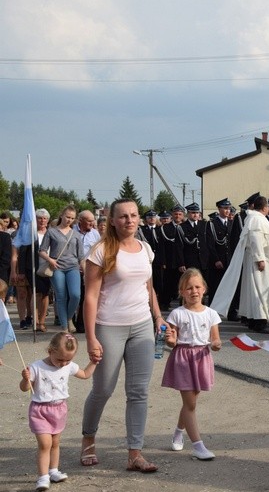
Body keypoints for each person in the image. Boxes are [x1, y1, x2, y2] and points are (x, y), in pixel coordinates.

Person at [80, 198, 170, 473]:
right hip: (109, 326)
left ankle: (135, 453)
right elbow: (91, 297)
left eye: (133, 215)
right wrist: (92, 337)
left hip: (142, 326)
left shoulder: (145, 249)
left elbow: (148, 288)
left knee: (139, 392)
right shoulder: (101, 251)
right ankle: (88, 439)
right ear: (112, 221)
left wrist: (158, 317)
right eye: (123, 216)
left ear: (139, 218)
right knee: (103, 389)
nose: (129, 220)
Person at [20, 332, 97, 492]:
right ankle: (43, 477)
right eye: (60, 359)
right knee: (45, 444)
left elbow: (84, 374)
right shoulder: (36, 367)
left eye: (68, 360)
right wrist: (25, 378)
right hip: (40, 410)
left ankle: (53, 471)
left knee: (55, 443)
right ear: (50, 351)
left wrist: (94, 362)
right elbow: (25, 388)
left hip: (59, 409)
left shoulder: (68, 366)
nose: (63, 363)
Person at [161, 268, 222, 461]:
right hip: (183, 358)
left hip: (201, 359)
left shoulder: (211, 314)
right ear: (181, 291)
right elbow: (172, 341)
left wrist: (216, 344)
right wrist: (169, 339)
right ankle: (198, 445)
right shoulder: (177, 314)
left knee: (190, 403)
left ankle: (179, 431)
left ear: (204, 288)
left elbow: (215, 340)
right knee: (191, 404)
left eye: (197, 287)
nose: (194, 291)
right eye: (188, 288)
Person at [211, 194, 269, 334]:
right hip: (260, 262)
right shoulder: (256, 219)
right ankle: (260, 322)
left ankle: (254, 320)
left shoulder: (257, 219)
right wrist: (260, 258)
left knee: (255, 292)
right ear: (264, 207)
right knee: (260, 292)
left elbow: (264, 235)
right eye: (268, 206)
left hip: (257, 260)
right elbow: (255, 239)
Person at [39, 205, 85, 333]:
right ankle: (64, 326)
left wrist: (85, 271)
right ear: (61, 215)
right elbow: (42, 251)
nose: (69, 220)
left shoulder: (76, 234)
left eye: (72, 218)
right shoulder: (51, 231)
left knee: (76, 295)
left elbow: (81, 256)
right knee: (61, 296)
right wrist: (50, 260)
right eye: (67, 217)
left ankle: (69, 317)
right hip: (57, 267)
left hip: (73, 267)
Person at [205, 198, 233, 305]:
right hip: (217, 261)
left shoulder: (232, 223)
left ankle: (230, 310)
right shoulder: (212, 224)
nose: (227, 211)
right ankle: (213, 308)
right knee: (215, 286)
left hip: (229, 259)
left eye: (229, 208)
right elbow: (210, 244)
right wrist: (216, 260)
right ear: (219, 209)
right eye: (225, 208)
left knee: (229, 286)